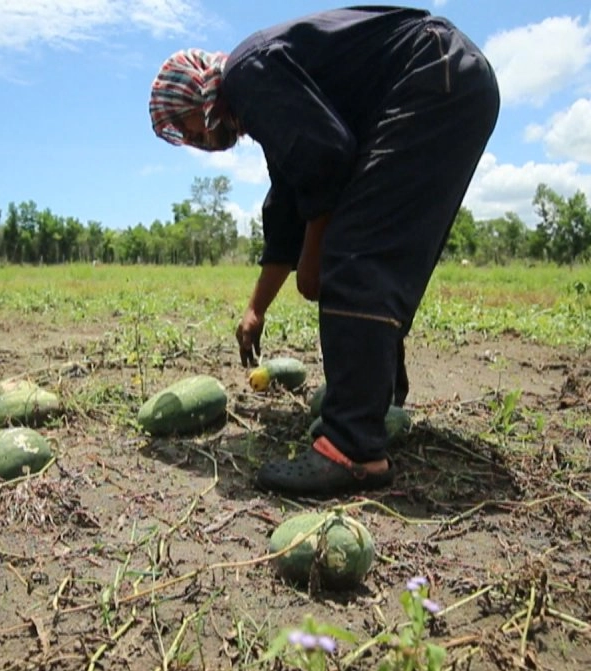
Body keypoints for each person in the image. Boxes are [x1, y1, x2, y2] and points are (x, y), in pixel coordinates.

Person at [149, 6, 499, 496]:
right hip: (451, 80)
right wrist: (256, 308)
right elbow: (290, 201)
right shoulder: (261, 90)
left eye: (184, 125)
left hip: (433, 77)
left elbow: (325, 160)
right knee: (375, 247)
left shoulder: (246, 75)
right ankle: (372, 402)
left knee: (357, 248)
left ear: (193, 90)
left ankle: (353, 449)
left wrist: (314, 264)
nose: (193, 140)